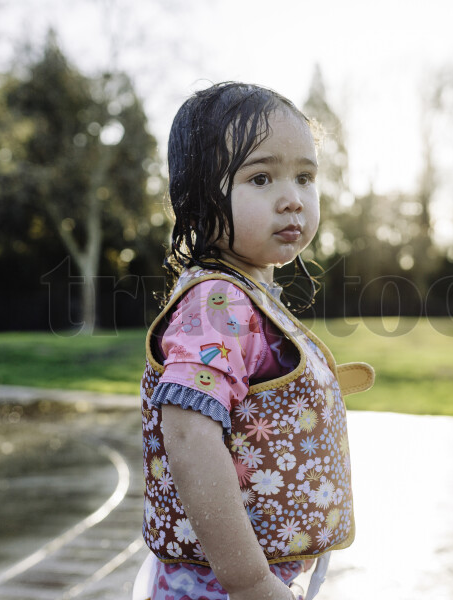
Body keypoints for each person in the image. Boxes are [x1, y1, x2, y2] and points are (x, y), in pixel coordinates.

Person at [136, 82, 374, 600]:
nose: (292, 199)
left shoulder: (245, 294)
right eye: (261, 177)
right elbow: (189, 436)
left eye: (305, 177)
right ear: (198, 204)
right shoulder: (217, 302)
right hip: (222, 587)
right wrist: (248, 582)